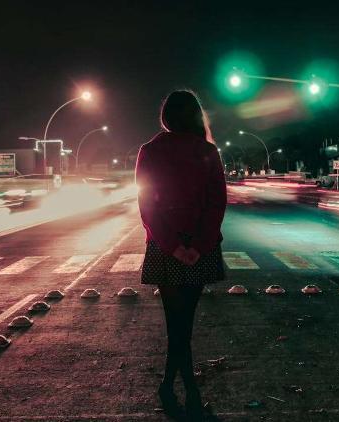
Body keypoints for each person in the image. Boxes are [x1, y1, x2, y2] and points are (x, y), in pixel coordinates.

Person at [136, 90, 227, 421]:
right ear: (196, 116)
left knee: (177, 324)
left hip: (165, 249)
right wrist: (198, 246)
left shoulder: (149, 151)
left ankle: (175, 387)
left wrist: (172, 245)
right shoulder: (208, 151)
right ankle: (186, 389)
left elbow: (147, 205)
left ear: (166, 116)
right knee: (183, 325)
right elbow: (217, 203)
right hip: (199, 250)